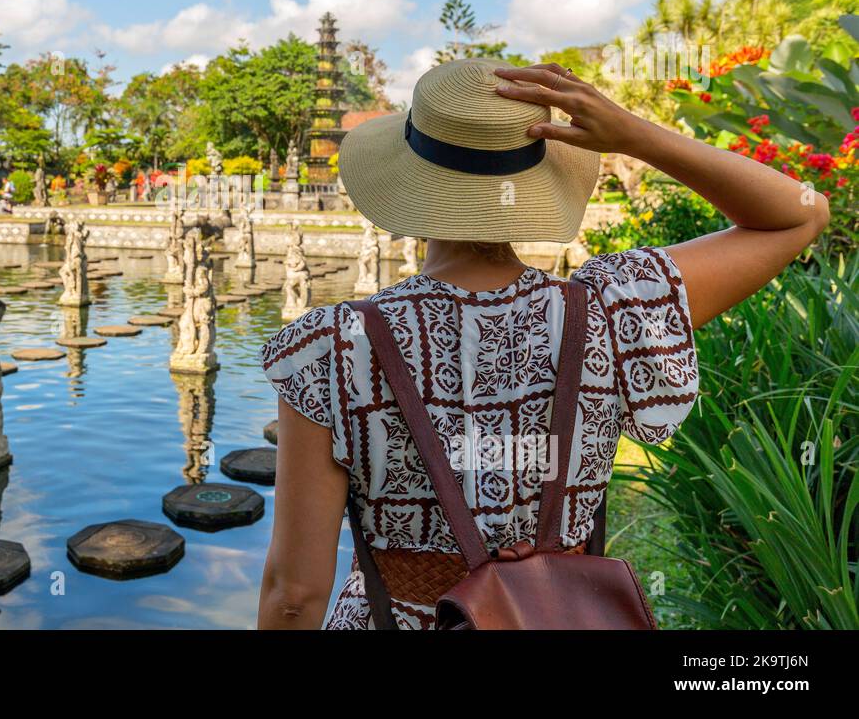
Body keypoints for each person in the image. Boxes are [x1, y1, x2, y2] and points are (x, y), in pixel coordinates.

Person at [256, 58, 830, 630]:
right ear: (538, 176)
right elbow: (797, 216)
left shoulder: (332, 348)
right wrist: (634, 136)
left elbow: (294, 595)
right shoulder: (613, 311)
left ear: (410, 180)